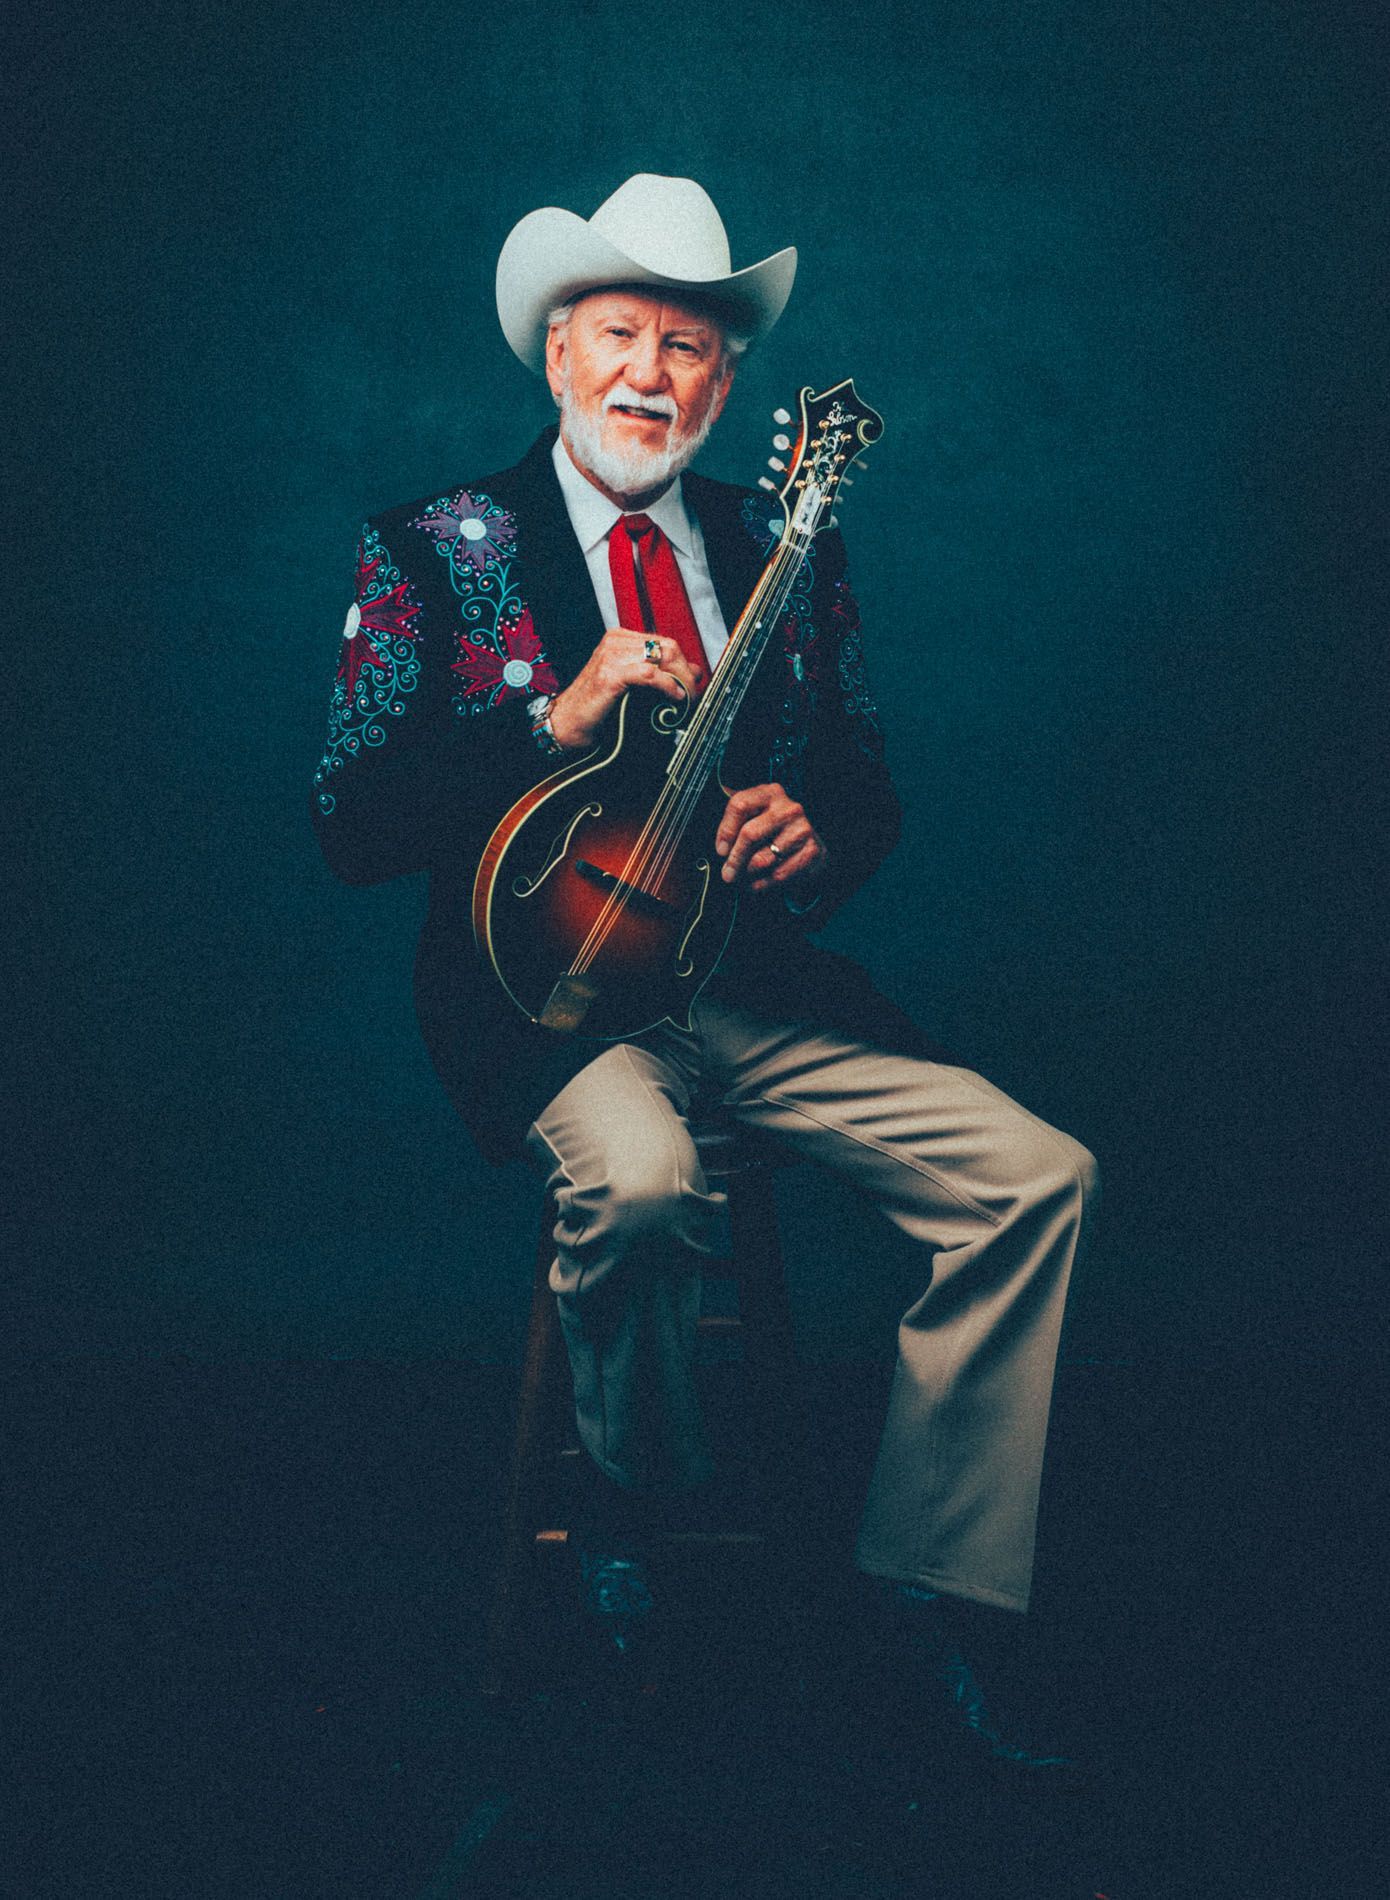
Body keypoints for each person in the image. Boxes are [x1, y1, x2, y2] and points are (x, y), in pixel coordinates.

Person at [312, 174, 1097, 1767]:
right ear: (555, 354)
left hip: (742, 985)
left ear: (728, 383)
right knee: (648, 1186)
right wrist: (553, 717)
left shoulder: (771, 533)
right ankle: (650, 1518)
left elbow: (861, 772)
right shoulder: (437, 547)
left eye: (688, 345)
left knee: (1033, 1175)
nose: (650, 373)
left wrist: (819, 832)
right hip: (548, 1001)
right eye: (618, 332)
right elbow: (352, 821)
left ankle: (926, 1579)